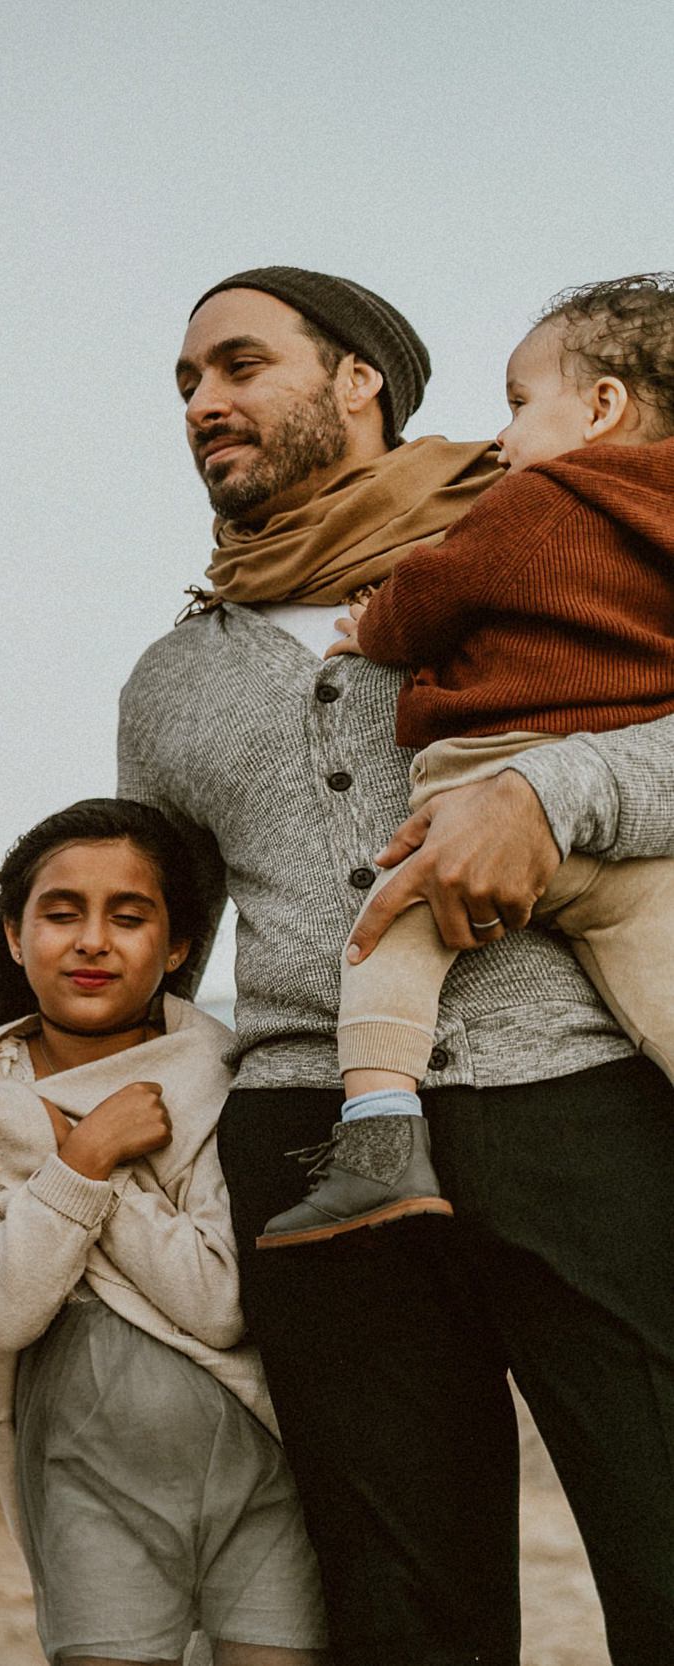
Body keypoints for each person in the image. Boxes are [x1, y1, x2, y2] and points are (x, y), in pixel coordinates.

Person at [123, 265, 674, 1659]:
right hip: (312, 1136)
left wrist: (560, 795)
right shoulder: (169, 684)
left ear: (358, 377)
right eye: (187, 383)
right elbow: (159, 949)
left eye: (239, 365)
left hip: (584, 1094)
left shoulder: (569, 518)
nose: (205, 403)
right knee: (402, 1614)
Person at [262, 273, 674, 1245]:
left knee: (387, 933)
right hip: (638, 828)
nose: (500, 438)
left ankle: (377, 1140)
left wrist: (373, 626)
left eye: (519, 405)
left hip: (486, 774)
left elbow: (434, 595)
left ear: (602, 406)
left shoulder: (535, 500)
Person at [0, 799, 325, 1666]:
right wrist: (87, 1158)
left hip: (261, 1468)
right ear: (14, 935)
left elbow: (219, 1302)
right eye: (62, 912)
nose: (92, 940)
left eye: (129, 915)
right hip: (85, 1480)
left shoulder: (221, 1076)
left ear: (179, 946)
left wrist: (78, 1172)